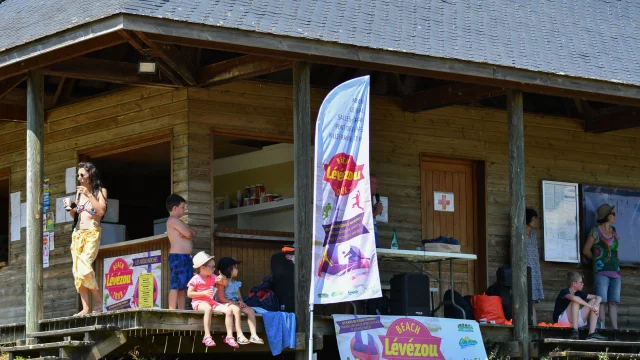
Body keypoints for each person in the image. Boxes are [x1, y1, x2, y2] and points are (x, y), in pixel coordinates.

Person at [67, 162, 108, 316]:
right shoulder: (78, 194)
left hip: (92, 233)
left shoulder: (100, 191)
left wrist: (89, 194)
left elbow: (101, 211)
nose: (79, 178)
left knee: (84, 266)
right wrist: (71, 209)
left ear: (90, 174)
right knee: (77, 272)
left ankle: (98, 301)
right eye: (78, 175)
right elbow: (76, 215)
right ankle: (85, 308)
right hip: (77, 234)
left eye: (82, 174)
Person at [187, 251, 241, 348]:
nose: (214, 268)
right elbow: (189, 294)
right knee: (208, 308)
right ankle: (207, 336)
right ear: (202, 268)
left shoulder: (213, 277)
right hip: (198, 302)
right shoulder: (196, 279)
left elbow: (224, 284)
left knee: (228, 311)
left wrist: (222, 278)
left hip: (211, 302)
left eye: (214, 266)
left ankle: (229, 336)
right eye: (211, 267)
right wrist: (203, 293)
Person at [583, 203, 621, 330]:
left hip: (616, 272)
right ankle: (602, 328)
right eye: (612, 213)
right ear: (606, 216)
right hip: (601, 272)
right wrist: (596, 261)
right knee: (602, 301)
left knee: (613, 302)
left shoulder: (614, 231)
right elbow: (586, 250)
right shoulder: (595, 231)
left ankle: (615, 330)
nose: (614, 216)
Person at [215, 257, 264, 345]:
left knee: (250, 310)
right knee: (236, 310)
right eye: (236, 268)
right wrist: (234, 303)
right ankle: (239, 335)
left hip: (235, 303)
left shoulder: (236, 283)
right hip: (224, 303)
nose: (237, 270)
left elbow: (239, 297)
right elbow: (221, 298)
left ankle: (253, 335)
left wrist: (241, 302)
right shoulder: (221, 282)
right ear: (229, 269)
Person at [552, 272, 606, 340]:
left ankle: (592, 333)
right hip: (562, 321)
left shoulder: (579, 293)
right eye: (581, 282)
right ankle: (574, 331)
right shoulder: (564, 292)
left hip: (575, 319)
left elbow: (599, 297)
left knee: (594, 301)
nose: (583, 284)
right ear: (574, 284)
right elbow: (574, 298)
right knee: (575, 301)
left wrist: (595, 305)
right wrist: (589, 306)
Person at [166, 194, 197, 310]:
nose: (184, 210)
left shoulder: (179, 222)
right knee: (175, 285)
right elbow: (189, 233)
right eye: (182, 207)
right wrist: (188, 232)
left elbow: (193, 232)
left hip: (186, 257)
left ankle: (181, 310)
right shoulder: (172, 220)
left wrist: (188, 232)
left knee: (183, 286)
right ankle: (172, 310)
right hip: (178, 257)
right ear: (175, 208)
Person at [525, 208, 544, 324]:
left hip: (534, 269)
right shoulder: (518, 234)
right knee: (525, 298)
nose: (535, 221)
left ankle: (534, 324)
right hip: (524, 268)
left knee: (532, 300)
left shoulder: (533, 235)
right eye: (533, 219)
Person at [370, 174, 383, 248]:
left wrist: (374, 210)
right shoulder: (362, 198)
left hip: (373, 242)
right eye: (376, 183)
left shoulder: (371, 200)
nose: (377, 187)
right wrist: (376, 212)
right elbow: (362, 220)